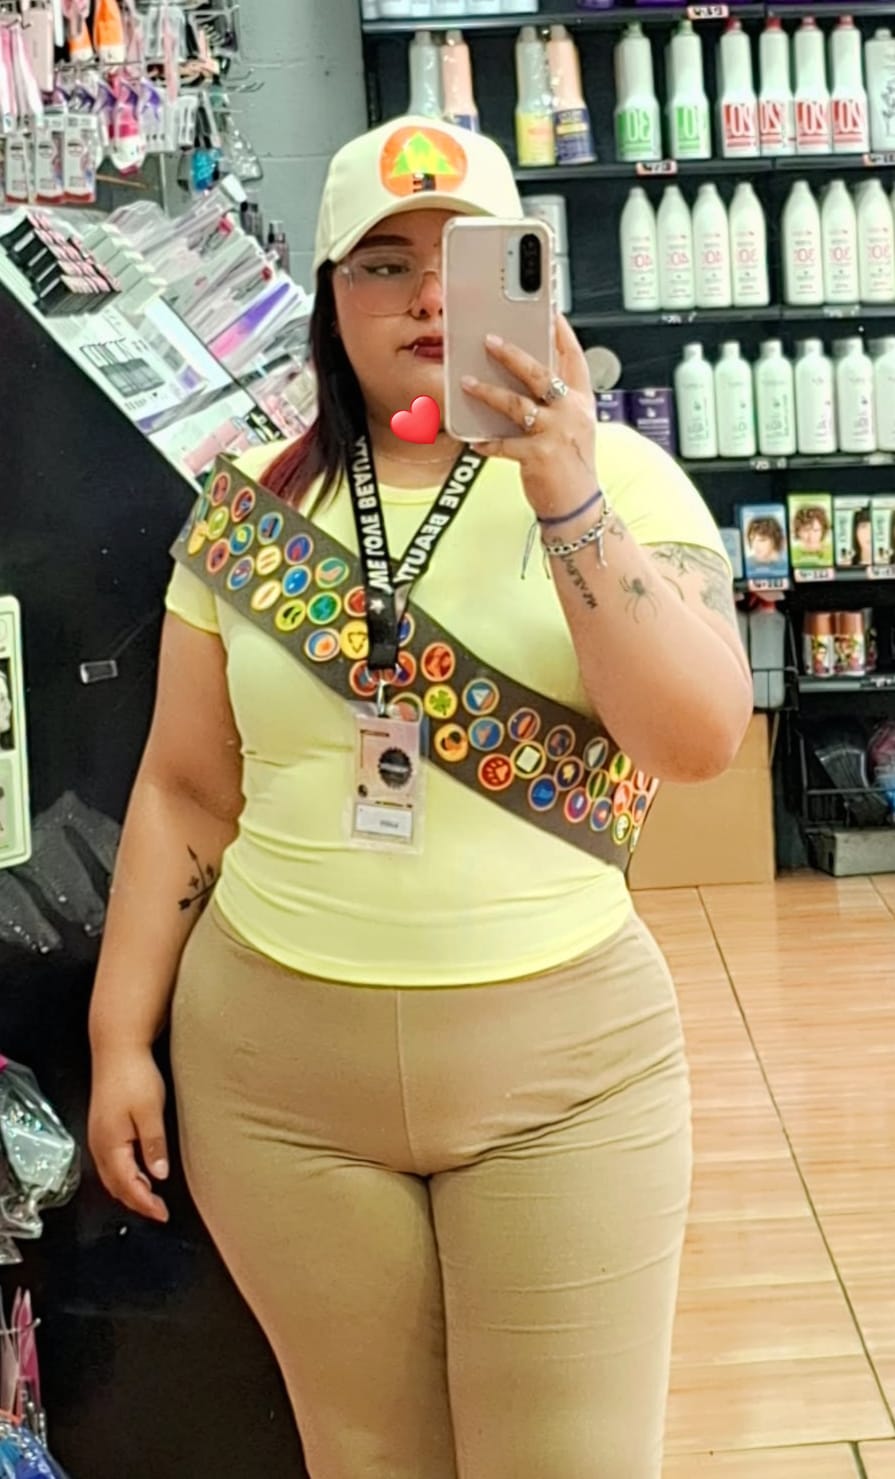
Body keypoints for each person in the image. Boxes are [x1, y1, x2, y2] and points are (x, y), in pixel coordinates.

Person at [87, 117, 752, 1479]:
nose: (430, 297)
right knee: (364, 1457)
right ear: (330, 298)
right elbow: (186, 790)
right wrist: (117, 1040)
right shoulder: (253, 507)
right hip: (274, 1084)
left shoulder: (626, 483)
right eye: (384, 264)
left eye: (470, 261)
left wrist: (563, 489)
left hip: (566, 1077)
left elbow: (695, 742)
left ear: (533, 280)